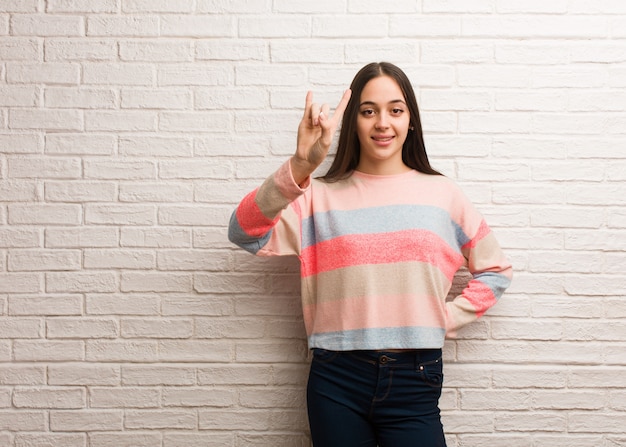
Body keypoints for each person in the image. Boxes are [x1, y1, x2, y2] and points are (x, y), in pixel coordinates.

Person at [228, 62, 512, 447]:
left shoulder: (442, 196)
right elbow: (244, 232)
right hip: (336, 378)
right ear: (354, 123)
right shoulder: (317, 197)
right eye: (368, 111)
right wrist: (301, 165)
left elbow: (495, 270)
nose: (382, 122)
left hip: (416, 375)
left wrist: (443, 318)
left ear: (410, 120)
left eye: (395, 110)